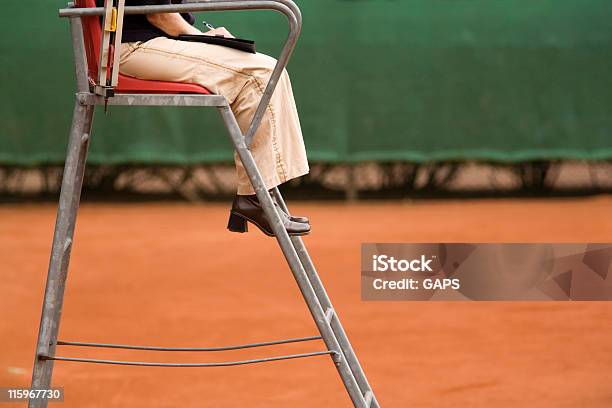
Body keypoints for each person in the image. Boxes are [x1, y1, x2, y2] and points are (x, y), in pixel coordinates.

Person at [97, 0, 311, 236]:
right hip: (131, 48)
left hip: (152, 42)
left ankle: (260, 193)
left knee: (268, 70)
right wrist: (203, 38)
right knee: (261, 74)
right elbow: (160, 16)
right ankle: (255, 196)